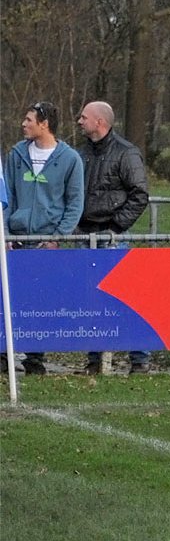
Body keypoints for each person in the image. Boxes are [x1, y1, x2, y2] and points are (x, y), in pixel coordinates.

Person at [3, 102, 85, 375]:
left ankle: (35, 356)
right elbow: (7, 197)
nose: (24, 124)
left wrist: (57, 236)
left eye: (29, 120)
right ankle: (4, 353)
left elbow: (75, 203)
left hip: (45, 242)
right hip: (15, 240)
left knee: (39, 300)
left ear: (44, 123)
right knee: (9, 297)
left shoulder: (70, 159)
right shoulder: (16, 154)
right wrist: (6, 233)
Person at [75, 101, 152, 374]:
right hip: (85, 235)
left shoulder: (126, 153)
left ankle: (139, 358)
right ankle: (95, 359)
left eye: (84, 117)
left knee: (125, 298)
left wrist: (117, 226)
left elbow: (139, 194)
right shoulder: (80, 154)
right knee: (91, 300)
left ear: (100, 122)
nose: (79, 121)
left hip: (112, 236)